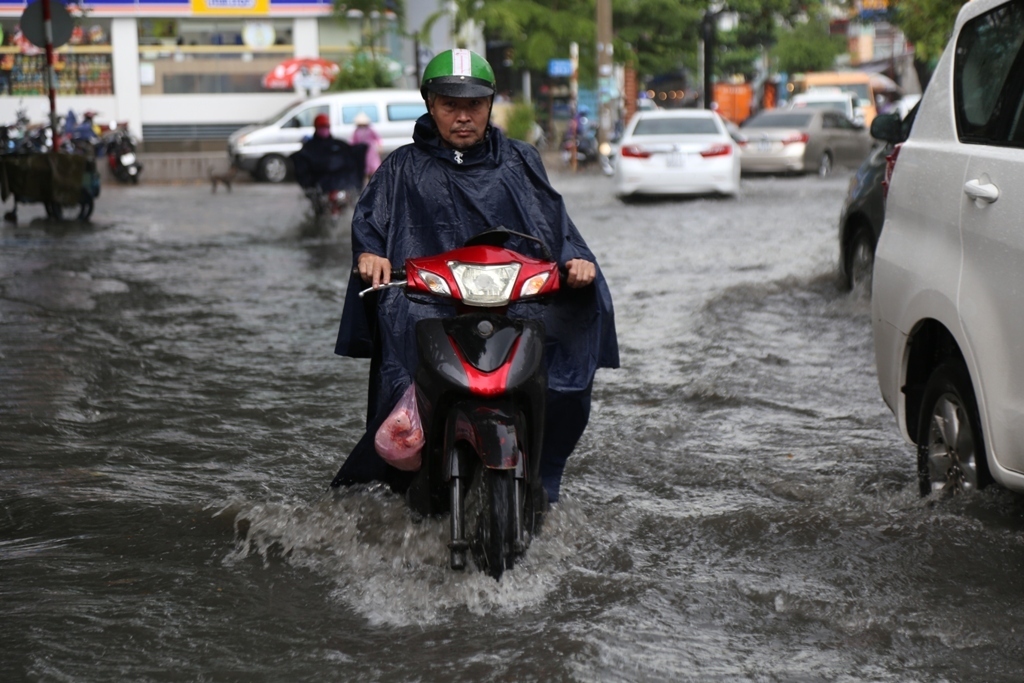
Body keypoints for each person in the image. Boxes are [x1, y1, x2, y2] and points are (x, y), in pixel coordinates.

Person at [329, 49, 618, 503]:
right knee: (394, 314)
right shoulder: (402, 166)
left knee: (579, 302)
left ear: (489, 106)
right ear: (430, 105)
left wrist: (575, 260)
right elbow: (371, 225)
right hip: (430, 299)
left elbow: (556, 226)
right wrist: (370, 255)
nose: (463, 116)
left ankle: (543, 447)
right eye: (450, 105)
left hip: (512, 298)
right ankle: (406, 435)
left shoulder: (520, 161)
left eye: (474, 105)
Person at [290, 113, 366, 214]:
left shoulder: (338, 144)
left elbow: (353, 157)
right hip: (320, 187)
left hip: (340, 186)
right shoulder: (309, 148)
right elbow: (302, 168)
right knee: (320, 212)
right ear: (316, 128)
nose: (324, 129)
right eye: (321, 127)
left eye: (326, 126)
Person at [349, 112, 382, 182]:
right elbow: (353, 141)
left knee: (373, 168)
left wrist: (379, 146)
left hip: (370, 151)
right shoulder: (356, 131)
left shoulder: (370, 130)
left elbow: (378, 138)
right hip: (361, 151)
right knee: (364, 168)